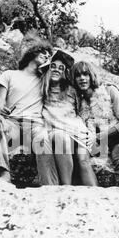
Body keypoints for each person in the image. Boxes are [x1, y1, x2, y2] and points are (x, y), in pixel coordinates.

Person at [0, 44, 59, 185]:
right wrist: (1, 109)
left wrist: (50, 63)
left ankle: (49, 185)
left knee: (43, 138)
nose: (45, 55)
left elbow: (62, 70)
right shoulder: (9, 74)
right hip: (12, 123)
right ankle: (5, 174)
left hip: (34, 124)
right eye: (42, 52)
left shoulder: (45, 79)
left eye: (48, 55)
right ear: (32, 53)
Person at [39, 50, 98, 186]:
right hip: (57, 132)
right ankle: (67, 187)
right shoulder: (41, 88)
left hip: (79, 133)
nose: (56, 70)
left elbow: (86, 112)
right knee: (61, 137)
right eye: (53, 66)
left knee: (83, 161)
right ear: (48, 68)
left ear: (65, 72)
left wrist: (93, 132)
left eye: (61, 68)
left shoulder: (72, 90)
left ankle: (97, 195)